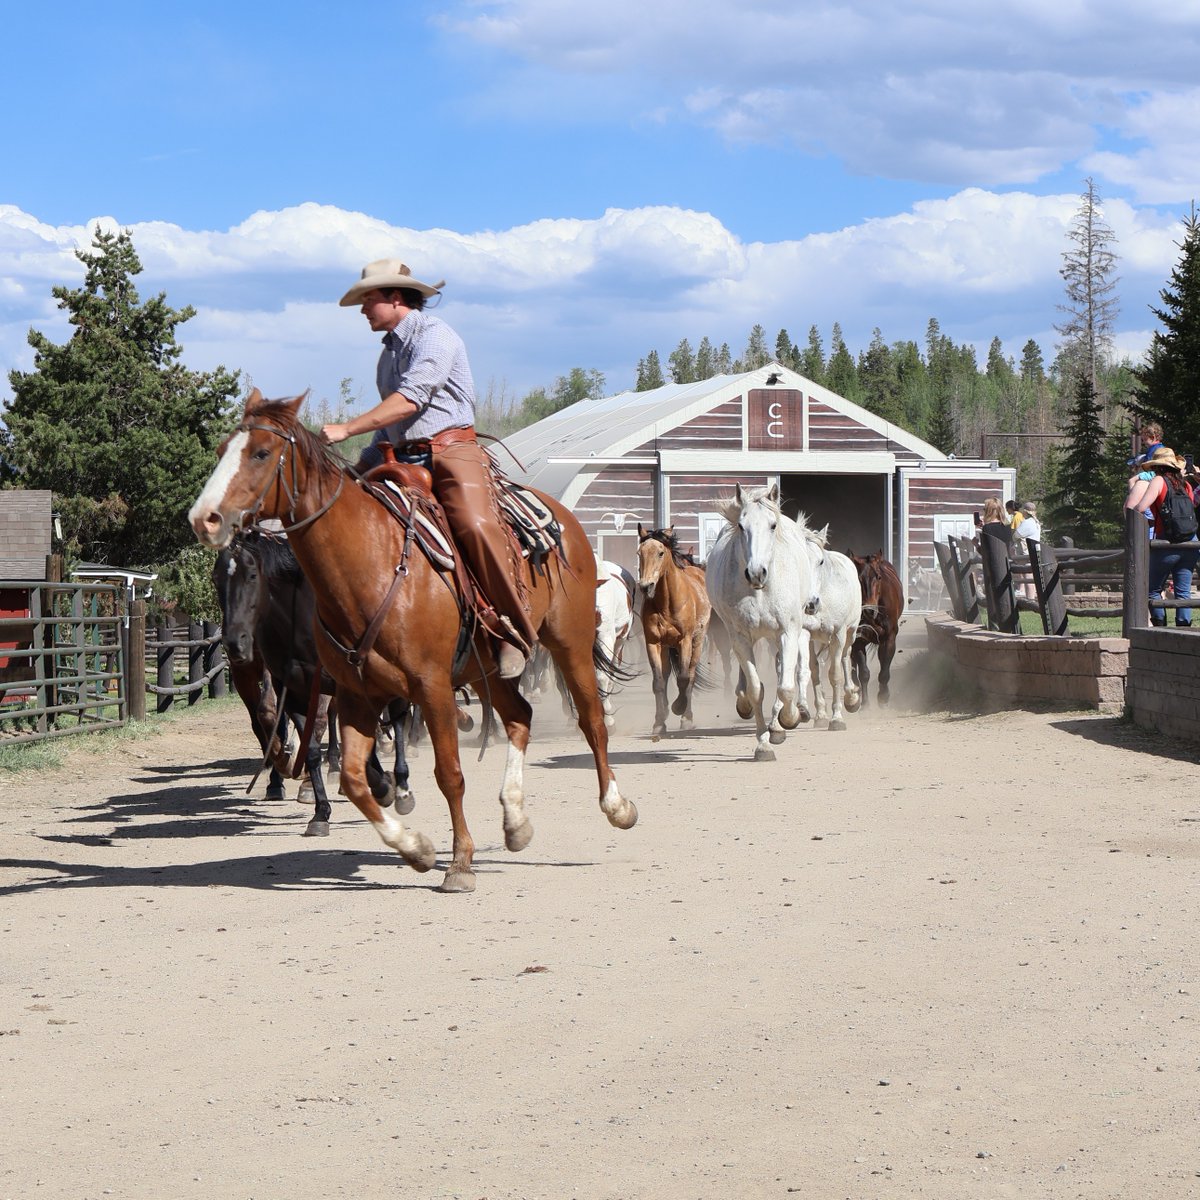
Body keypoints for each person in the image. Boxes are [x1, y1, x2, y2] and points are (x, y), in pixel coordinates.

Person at [320, 259, 535, 678]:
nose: (364, 310)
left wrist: (346, 428)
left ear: (396, 298)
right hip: (397, 455)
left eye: (369, 300)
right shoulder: (387, 355)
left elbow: (411, 400)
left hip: (450, 451)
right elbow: (393, 424)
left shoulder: (436, 336)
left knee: (474, 525)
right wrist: (354, 471)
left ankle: (509, 629)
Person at [1124, 446, 1199, 627]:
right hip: (1191, 543)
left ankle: (1159, 627)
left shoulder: (1159, 481)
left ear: (1157, 466)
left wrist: (1147, 522)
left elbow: (1141, 509)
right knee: (1183, 592)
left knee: (1152, 589)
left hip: (1167, 543)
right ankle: (1184, 631)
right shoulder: (1186, 484)